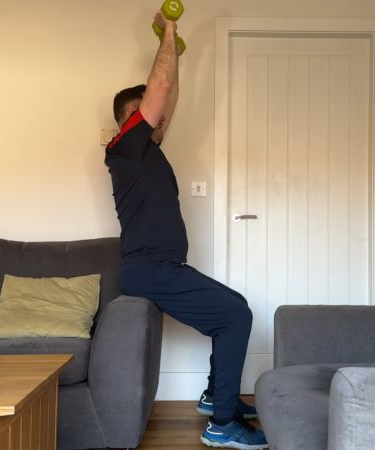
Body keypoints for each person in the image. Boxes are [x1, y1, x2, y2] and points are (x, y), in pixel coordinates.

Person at [104, 9, 269, 450]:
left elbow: (166, 97)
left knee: (234, 306)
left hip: (161, 265)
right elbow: (158, 91)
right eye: (148, 115)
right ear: (131, 118)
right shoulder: (124, 150)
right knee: (236, 317)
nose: (161, 120)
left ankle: (217, 396)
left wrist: (174, 50)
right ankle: (222, 422)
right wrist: (170, 29)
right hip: (150, 268)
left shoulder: (149, 149)